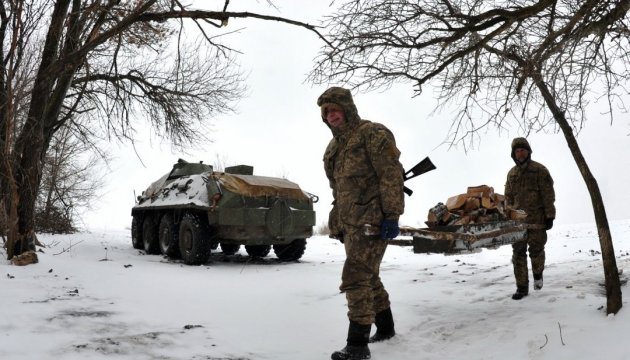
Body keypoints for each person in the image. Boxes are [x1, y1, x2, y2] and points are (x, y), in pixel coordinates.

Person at [317, 87, 405, 360]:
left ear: (347, 109)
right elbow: (338, 189)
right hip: (351, 223)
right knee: (369, 276)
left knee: (355, 277)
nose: (331, 116)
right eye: (326, 112)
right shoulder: (334, 147)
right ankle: (386, 328)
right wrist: (337, 219)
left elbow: (391, 176)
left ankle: (357, 345)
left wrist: (392, 215)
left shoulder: (372, 133)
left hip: (374, 221)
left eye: (335, 110)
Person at [504, 137, 556, 300]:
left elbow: (548, 195)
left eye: (523, 150)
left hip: (537, 221)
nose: (520, 153)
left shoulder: (540, 170)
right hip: (518, 223)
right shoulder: (511, 174)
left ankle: (538, 274)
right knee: (518, 253)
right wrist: (507, 215)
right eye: (517, 151)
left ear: (528, 152)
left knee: (536, 251)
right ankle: (522, 287)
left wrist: (550, 216)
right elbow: (508, 197)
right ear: (513, 154)